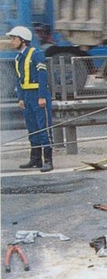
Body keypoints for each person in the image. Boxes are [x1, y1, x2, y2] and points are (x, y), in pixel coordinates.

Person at [7, 26, 54, 172]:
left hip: (38, 95)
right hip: (27, 96)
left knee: (43, 128)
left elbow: (42, 76)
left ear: (23, 40)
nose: (11, 42)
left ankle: (48, 160)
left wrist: (41, 96)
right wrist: (20, 98)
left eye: (14, 39)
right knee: (32, 128)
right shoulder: (18, 57)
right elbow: (19, 79)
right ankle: (35, 159)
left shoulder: (36, 54)